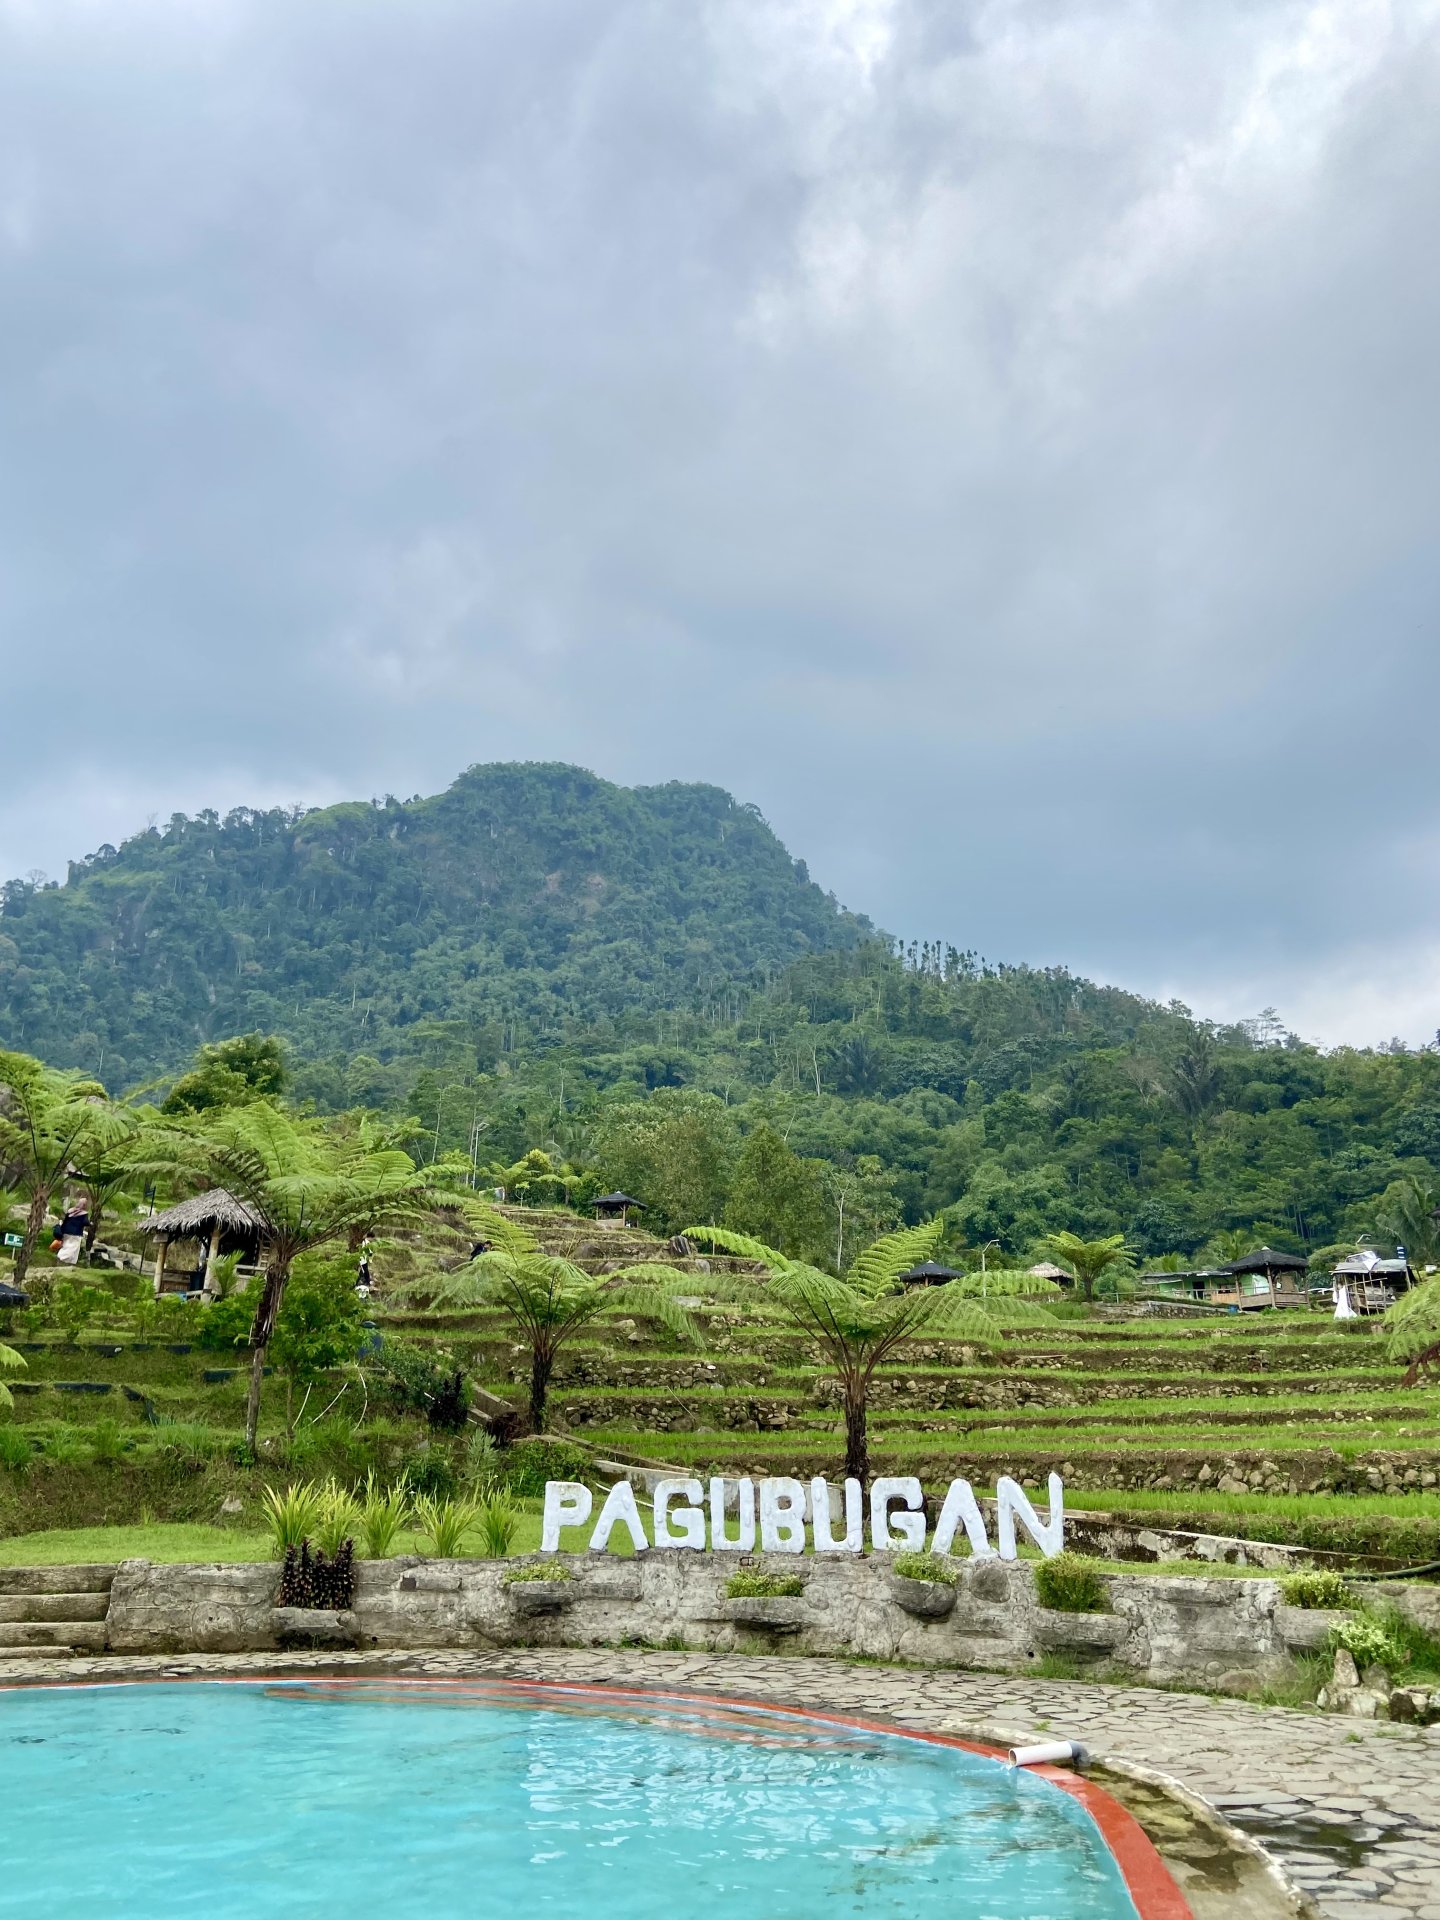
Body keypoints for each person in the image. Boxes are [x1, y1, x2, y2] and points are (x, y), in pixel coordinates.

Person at [55, 1199, 89, 1267]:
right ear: (85, 1205)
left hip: (66, 1231)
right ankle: (62, 1257)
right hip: (75, 1233)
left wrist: (62, 1230)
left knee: (66, 1245)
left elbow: (65, 1221)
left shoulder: (71, 1211)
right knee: (73, 1247)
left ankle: (65, 1263)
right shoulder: (84, 1213)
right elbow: (85, 1222)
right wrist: (90, 1223)